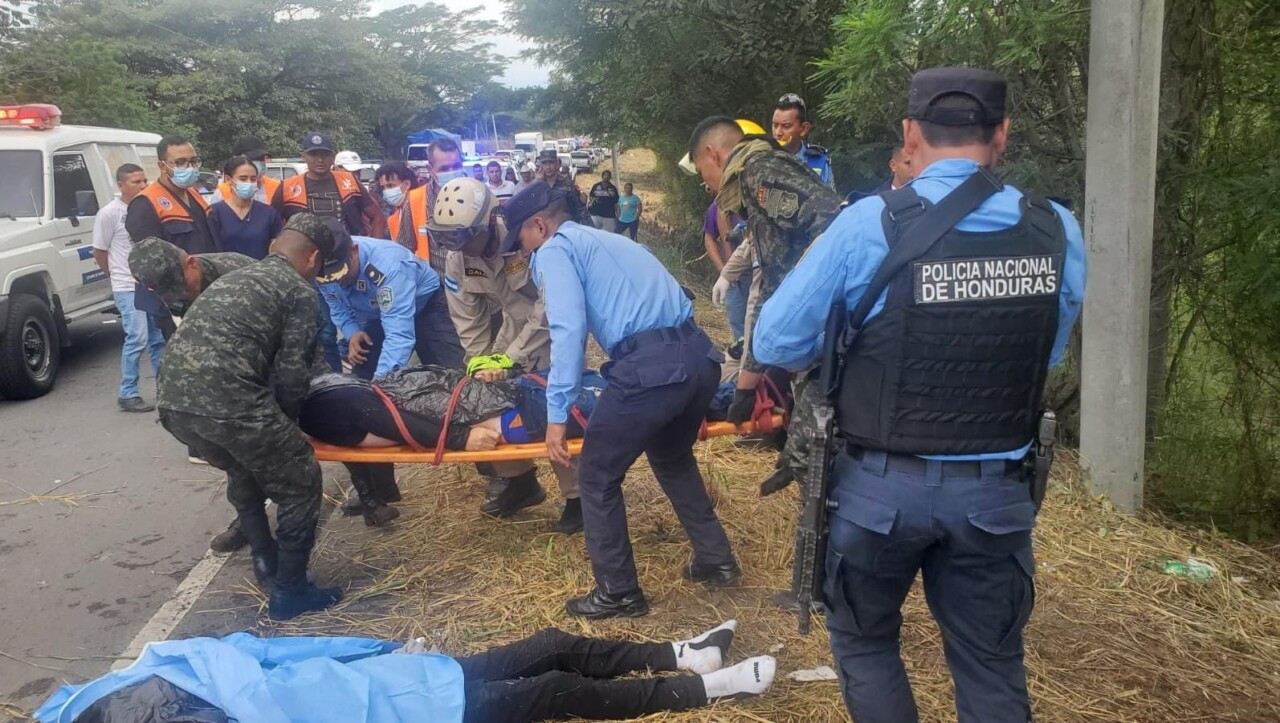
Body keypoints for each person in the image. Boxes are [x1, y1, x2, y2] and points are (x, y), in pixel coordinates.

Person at [753, 67, 1087, 723]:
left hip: (878, 493)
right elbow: (1045, 351)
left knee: (866, 641)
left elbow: (775, 341)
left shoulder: (864, 226)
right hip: (996, 495)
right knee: (992, 662)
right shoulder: (1058, 231)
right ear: (1003, 135)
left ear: (910, 135)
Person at [506, 182, 739, 619]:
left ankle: (618, 592)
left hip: (650, 367)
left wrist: (557, 414)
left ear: (540, 225)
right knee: (671, 458)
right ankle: (716, 558)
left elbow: (568, 331)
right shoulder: (609, 239)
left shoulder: (554, 250)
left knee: (595, 476)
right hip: (700, 356)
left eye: (520, 235)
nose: (520, 246)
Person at [155, 213, 344, 621]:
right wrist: (292, 428)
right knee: (300, 482)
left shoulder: (231, 278)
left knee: (244, 469)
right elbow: (294, 374)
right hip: (231, 402)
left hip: (173, 405)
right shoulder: (297, 291)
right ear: (312, 258)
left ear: (275, 245)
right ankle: (290, 592)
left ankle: (265, 561)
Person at [37, 621, 777, 723]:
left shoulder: (157, 662)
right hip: (405, 716)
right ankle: (709, 686)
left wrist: (377, 644)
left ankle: (682, 654)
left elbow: (276, 650)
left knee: (550, 642)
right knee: (554, 690)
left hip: (405, 677)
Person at [427, 177, 580, 533]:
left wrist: (512, 357)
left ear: (487, 222)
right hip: (514, 329)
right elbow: (467, 317)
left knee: (553, 408)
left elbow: (549, 306)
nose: (456, 246)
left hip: (555, 328)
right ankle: (521, 483)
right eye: (446, 237)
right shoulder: (456, 261)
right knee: (490, 401)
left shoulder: (526, 240)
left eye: (462, 236)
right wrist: (481, 363)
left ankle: (578, 497)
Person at [317, 220, 464, 380]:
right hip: (378, 314)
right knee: (361, 380)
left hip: (426, 307)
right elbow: (335, 305)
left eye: (342, 273)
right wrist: (352, 332)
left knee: (452, 376)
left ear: (354, 251)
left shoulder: (389, 266)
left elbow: (398, 335)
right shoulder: (324, 269)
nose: (337, 281)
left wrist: (381, 384)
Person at [92, 163, 164, 413]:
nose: (143, 186)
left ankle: (165, 390)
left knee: (158, 339)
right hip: (127, 286)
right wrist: (115, 275)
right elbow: (99, 251)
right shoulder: (110, 213)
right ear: (121, 185)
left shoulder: (148, 209)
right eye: (136, 182)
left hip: (151, 285)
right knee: (137, 338)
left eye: (145, 181)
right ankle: (128, 393)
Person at [272, 131, 386, 239]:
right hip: (305, 255)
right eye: (313, 154)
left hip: (348, 252)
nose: (320, 160)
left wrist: (374, 248)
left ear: (332, 157)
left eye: (325, 155)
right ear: (303, 156)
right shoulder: (287, 187)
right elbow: (271, 226)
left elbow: (378, 217)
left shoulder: (350, 182)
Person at [127, 136, 219, 255]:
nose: (190, 167)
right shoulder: (145, 204)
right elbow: (151, 260)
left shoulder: (194, 194)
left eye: (193, 161)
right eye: (180, 162)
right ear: (163, 166)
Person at [208, 156, 284, 260]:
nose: (249, 183)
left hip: (259, 273)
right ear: (228, 180)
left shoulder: (269, 214)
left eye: (253, 179)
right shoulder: (214, 213)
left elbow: (276, 250)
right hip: (226, 273)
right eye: (243, 179)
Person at [374, 161, 433, 264]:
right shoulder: (393, 219)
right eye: (383, 187)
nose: (386, 191)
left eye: (391, 185)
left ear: (406, 184)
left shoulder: (423, 199)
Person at [772, 93, 834, 186]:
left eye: (786, 126)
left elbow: (830, 199)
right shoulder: (762, 158)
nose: (778, 133)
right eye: (775, 125)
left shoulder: (818, 162)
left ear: (804, 129)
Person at [214, 135, 280, 204]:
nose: (259, 163)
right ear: (236, 159)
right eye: (252, 159)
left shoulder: (277, 188)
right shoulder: (223, 192)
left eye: (261, 159)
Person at [535, 149, 591, 225]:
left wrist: (589, 229)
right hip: (544, 230)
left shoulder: (567, 184)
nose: (548, 167)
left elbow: (581, 210)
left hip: (565, 228)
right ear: (541, 166)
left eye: (551, 163)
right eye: (545, 164)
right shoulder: (537, 185)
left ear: (557, 164)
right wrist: (536, 182)